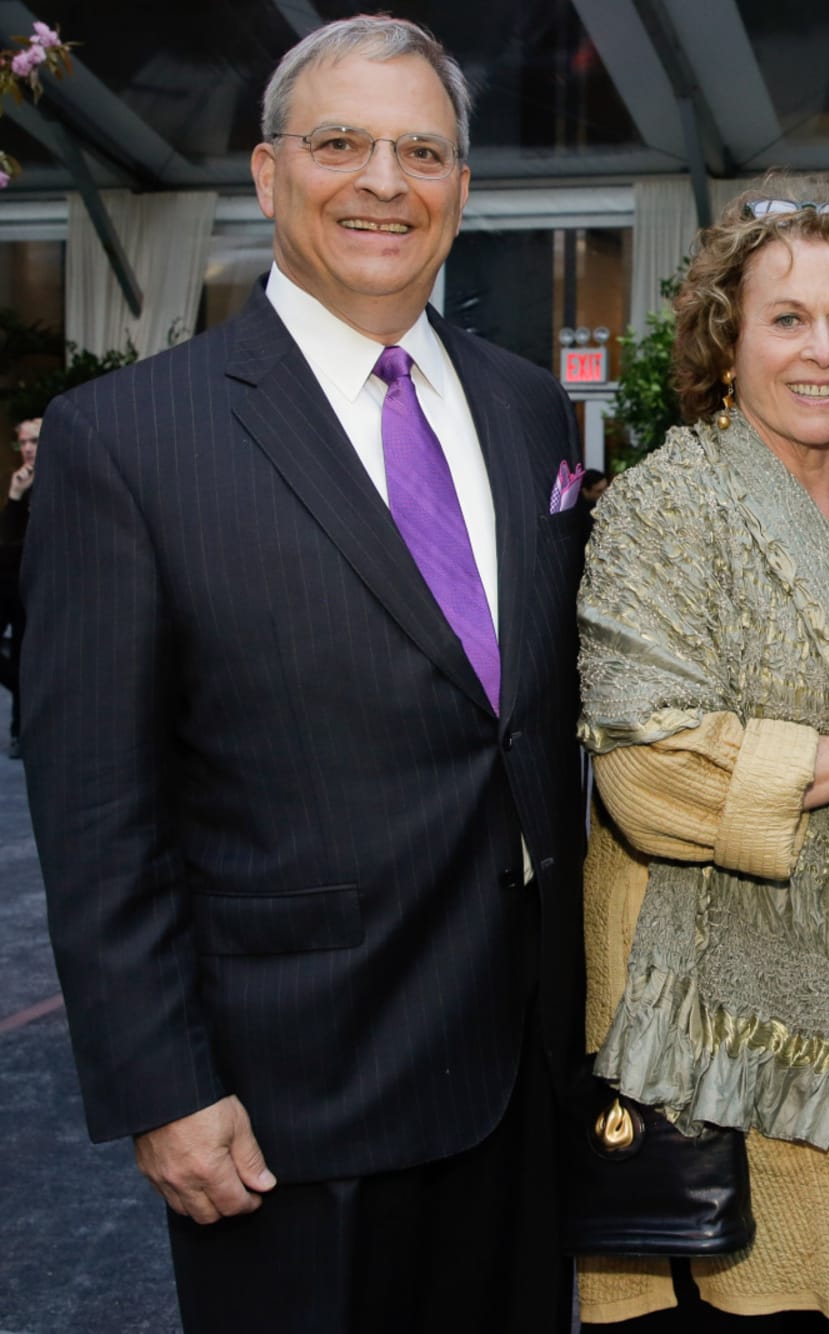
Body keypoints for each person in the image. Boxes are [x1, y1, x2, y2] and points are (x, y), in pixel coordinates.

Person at [23, 16, 585, 1332]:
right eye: (341, 143)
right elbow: (98, 806)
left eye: (422, 152)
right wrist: (163, 1082)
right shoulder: (129, 439)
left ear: (462, 190)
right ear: (269, 173)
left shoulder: (525, 406)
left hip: (526, 1072)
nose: (384, 181)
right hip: (289, 1103)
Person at [574, 175, 829, 1330]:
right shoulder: (664, 507)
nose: (822, 350)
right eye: (786, 317)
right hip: (730, 1071)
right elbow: (651, 772)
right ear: (726, 336)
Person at [0, 416, 36, 758]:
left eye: (34, 441)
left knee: (27, 653)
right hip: (11, 587)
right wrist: (14, 496)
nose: (27, 448)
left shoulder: (56, 483)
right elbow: (6, 546)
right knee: (22, 661)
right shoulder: (20, 483)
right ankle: (25, 695)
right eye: (22, 442)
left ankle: (22, 729)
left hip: (38, 591)